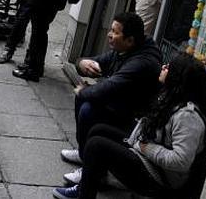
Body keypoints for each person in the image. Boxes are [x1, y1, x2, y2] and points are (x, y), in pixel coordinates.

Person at [53, 52, 206, 199]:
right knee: (99, 131)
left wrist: (145, 148)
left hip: (160, 178)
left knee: (97, 146)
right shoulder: (170, 97)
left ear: (177, 77)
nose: (164, 67)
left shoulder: (188, 116)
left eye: (169, 67)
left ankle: (84, 193)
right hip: (148, 159)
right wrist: (137, 141)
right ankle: (91, 182)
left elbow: (180, 161)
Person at [59, 12, 162, 166]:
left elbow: (108, 87)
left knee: (87, 107)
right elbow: (90, 61)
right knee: (84, 99)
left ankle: (91, 163)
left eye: (115, 32)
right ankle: (84, 153)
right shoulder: (123, 50)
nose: (109, 35)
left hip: (134, 121)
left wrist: (82, 90)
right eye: (111, 30)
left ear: (129, 40)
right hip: (120, 106)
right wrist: (83, 63)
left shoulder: (142, 63)